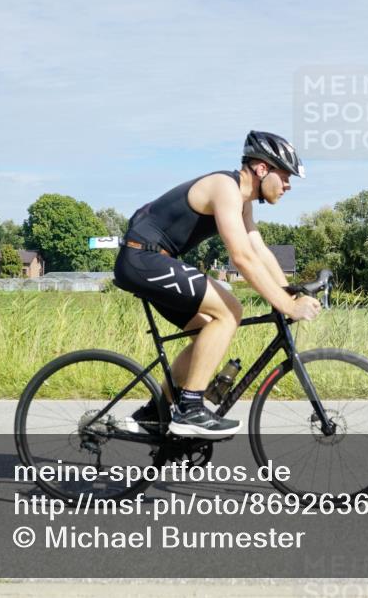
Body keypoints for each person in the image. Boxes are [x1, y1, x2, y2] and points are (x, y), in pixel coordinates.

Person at [113, 131, 322, 438]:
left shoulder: (244, 202)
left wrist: (288, 289)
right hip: (142, 258)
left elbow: (258, 250)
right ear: (262, 169)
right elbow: (240, 257)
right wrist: (287, 305)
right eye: (286, 176)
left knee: (208, 330)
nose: (288, 185)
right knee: (229, 312)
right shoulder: (225, 188)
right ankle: (190, 409)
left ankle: (153, 412)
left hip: (156, 262)